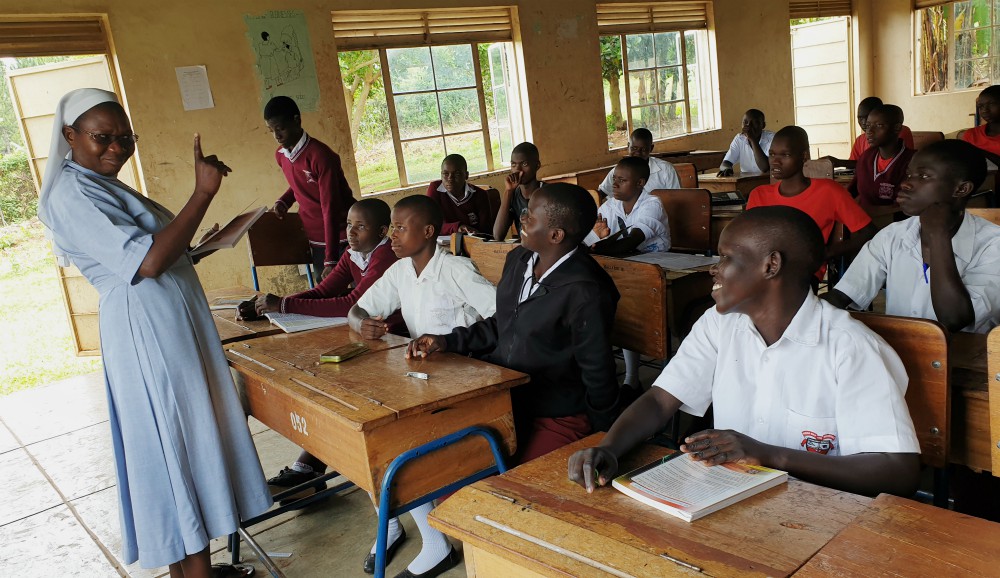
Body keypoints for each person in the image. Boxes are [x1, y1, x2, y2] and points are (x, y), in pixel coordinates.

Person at [37, 88, 271, 577]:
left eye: (126, 138)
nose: (116, 148)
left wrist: (202, 244)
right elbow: (146, 260)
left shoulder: (103, 183)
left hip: (167, 326)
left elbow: (157, 249)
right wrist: (202, 193)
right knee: (174, 449)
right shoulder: (72, 192)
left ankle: (193, 571)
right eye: (103, 137)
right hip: (147, 333)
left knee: (186, 446)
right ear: (69, 136)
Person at [567, 206, 921, 499]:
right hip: (729, 498)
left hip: (823, 514)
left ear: (771, 265)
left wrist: (767, 455)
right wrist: (610, 448)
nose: (714, 268)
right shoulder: (721, 324)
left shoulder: (851, 348)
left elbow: (897, 471)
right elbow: (661, 399)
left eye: (726, 258)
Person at [407, 183, 621, 464]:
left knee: (510, 480)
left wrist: (606, 437)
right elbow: (503, 324)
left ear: (555, 235)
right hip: (507, 397)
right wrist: (447, 341)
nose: (521, 218)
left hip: (557, 412)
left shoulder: (586, 291)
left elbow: (597, 370)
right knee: (447, 461)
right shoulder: (519, 260)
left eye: (530, 217)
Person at [348, 195, 497, 578]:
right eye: (391, 228)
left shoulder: (456, 270)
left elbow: (502, 316)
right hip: (424, 381)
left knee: (393, 439)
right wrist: (360, 323)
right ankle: (397, 525)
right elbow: (357, 309)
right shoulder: (400, 271)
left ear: (428, 232)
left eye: (400, 227)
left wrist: (454, 341)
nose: (392, 235)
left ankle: (436, 544)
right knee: (362, 432)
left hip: (464, 383)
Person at [239, 199, 403, 500]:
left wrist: (284, 304)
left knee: (340, 388)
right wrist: (273, 307)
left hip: (391, 339)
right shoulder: (354, 254)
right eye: (349, 225)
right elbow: (323, 291)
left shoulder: (386, 258)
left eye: (361, 227)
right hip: (363, 334)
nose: (351, 233)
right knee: (324, 382)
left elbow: (349, 302)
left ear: (382, 231)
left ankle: (317, 465)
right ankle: (311, 466)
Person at [826, 140, 1000, 333]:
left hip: (966, 359)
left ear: (961, 189)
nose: (906, 183)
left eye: (924, 176)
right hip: (901, 357)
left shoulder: (992, 245)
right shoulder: (891, 236)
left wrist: (938, 235)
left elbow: (954, 319)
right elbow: (842, 295)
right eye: (909, 174)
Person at [746, 125, 876, 283]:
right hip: (763, 272)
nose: (775, 161)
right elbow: (749, 239)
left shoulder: (828, 191)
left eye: (785, 155)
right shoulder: (759, 195)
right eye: (772, 154)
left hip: (803, 274)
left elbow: (868, 232)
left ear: (804, 156)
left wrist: (826, 252)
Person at [265, 95, 356, 281]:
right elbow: (300, 185)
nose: (276, 136)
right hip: (315, 239)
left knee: (354, 294)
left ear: (297, 120)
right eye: (271, 130)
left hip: (342, 236)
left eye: (280, 128)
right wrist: (284, 201)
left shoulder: (321, 156)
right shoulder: (281, 155)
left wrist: (331, 261)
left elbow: (330, 207)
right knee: (324, 295)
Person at [847, 104, 916, 208]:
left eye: (879, 125)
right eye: (868, 126)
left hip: (894, 221)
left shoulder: (912, 161)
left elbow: (903, 208)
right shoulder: (866, 157)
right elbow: (852, 191)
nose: (869, 132)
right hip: (864, 220)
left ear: (897, 128)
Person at [826, 96, 915, 170]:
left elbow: (885, 164)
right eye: (860, 118)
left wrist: (839, 162)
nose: (864, 122)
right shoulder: (861, 140)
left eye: (868, 117)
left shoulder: (899, 132)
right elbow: (854, 166)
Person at [596, 128, 680, 198]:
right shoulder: (618, 170)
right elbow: (602, 192)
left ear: (651, 148)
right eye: (634, 148)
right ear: (628, 146)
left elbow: (678, 197)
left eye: (643, 149)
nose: (638, 153)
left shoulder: (666, 169)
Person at [425, 153, 493, 236]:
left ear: (466, 175)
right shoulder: (435, 189)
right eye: (445, 174)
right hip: (442, 245)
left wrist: (474, 234)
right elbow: (430, 225)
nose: (450, 178)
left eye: (457, 174)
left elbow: (487, 231)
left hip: (472, 244)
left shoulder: (480, 195)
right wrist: (457, 227)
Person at [494, 142, 543, 241]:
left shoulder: (547, 193)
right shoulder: (513, 195)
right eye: (513, 164)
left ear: (537, 165)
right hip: (525, 250)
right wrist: (508, 191)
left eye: (524, 164)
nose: (518, 170)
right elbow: (498, 235)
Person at [717, 109, 774, 176]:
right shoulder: (739, 139)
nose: (749, 126)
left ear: (763, 125)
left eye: (754, 123)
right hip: (746, 182)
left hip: (766, 181)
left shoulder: (772, 138)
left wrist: (752, 140)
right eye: (745, 122)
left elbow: (765, 168)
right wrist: (727, 168)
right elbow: (726, 162)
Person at [962, 85, 1000, 168]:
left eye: (992, 104)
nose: (984, 110)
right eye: (981, 106)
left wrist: (976, 151)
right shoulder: (971, 134)